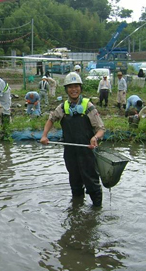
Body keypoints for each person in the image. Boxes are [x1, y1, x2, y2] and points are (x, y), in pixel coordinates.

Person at [40, 72, 105, 207]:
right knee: (74, 182)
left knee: (92, 182)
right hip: (70, 152)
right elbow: (51, 119)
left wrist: (95, 137)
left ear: (80, 88)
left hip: (87, 152)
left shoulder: (88, 106)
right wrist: (44, 135)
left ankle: (97, 211)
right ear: (66, 89)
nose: (73, 89)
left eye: (76, 86)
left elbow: (101, 129)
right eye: (70, 87)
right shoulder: (63, 107)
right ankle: (77, 207)